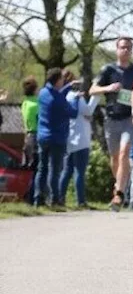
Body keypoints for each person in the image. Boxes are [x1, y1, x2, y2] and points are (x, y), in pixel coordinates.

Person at [91, 37, 133, 210]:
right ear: (117, 49)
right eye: (122, 47)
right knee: (115, 158)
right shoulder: (108, 69)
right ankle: (119, 187)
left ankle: (119, 194)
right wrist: (108, 88)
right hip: (112, 118)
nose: (125, 51)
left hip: (131, 118)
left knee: (124, 152)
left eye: (128, 48)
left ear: (132, 50)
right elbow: (92, 90)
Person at [35, 68, 75, 206]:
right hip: (57, 138)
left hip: (42, 136)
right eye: (62, 80)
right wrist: (75, 98)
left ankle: (38, 198)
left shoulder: (42, 93)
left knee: (42, 168)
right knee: (55, 170)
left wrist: (67, 87)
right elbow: (73, 112)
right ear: (58, 80)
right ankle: (54, 199)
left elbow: (55, 94)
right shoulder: (59, 100)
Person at [60, 72, 98, 208]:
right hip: (81, 139)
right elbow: (87, 111)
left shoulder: (64, 97)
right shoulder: (76, 97)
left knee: (67, 171)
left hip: (70, 138)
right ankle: (81, 201)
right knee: (79, 172)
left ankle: (60, 198)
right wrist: (96, 97)